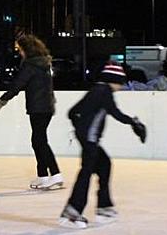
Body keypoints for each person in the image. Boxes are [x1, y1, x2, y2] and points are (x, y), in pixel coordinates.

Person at [58, 64, 147, 229]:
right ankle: (72, 212)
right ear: (114, 80)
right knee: (86, 172)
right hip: (90, 139)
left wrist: (80, 130)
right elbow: (115, 113)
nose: (121, 86)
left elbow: (72, 112)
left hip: (88, 138)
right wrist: (133, 122)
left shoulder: (95, 90)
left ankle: (104, 208)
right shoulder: (104, 91)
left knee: (104, 165)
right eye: (121, 82)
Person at [0, 34, 63, 191]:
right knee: (38, 140)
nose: (19, 52)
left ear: (26, 49)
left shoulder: (30, 65)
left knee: (40, 141)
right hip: (47, 107)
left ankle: (56, 174)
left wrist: (2, 101)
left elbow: (17, 85)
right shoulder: (44, 63)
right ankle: (43, 175)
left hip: (38, 108)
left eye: (19, 49)